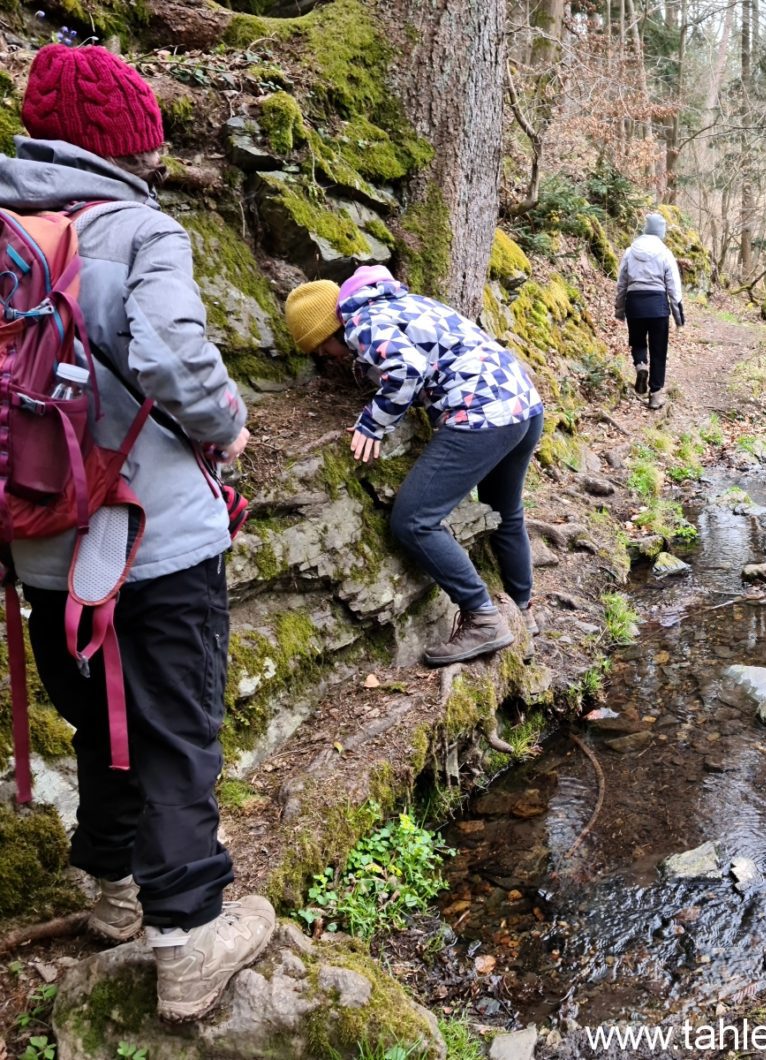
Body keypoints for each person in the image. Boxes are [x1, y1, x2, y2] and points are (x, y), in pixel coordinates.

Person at [2, 43, 274, 1022]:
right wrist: (229, 425)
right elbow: (170, 353)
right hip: (154, 544)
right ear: (125, 145)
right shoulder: (139, 229)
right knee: (173, 732)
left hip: (43, 546)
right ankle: (191, 937)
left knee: (100, 720)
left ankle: (112, 889)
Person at [284, 266, 545, 665]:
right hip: (522, 404)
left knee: (413, 519)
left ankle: (483, 618)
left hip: (482, 415)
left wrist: (372, 424)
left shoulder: (361, 323)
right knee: (506, 510)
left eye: (319, 347)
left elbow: (407, 370)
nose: (323, 357)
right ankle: (523, 609)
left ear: (327, 330)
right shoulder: (396, 303)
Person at [615, 212, 684, 410]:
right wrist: (679, 318)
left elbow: (622, 283)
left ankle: (640, 365)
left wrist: (620, 309)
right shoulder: (665, 253)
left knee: (637, 341)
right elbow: (673, 287)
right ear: (661, 232)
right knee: (658, 350)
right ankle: (655, 394)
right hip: (657, 306)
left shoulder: (630, 251)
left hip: (634, 304)